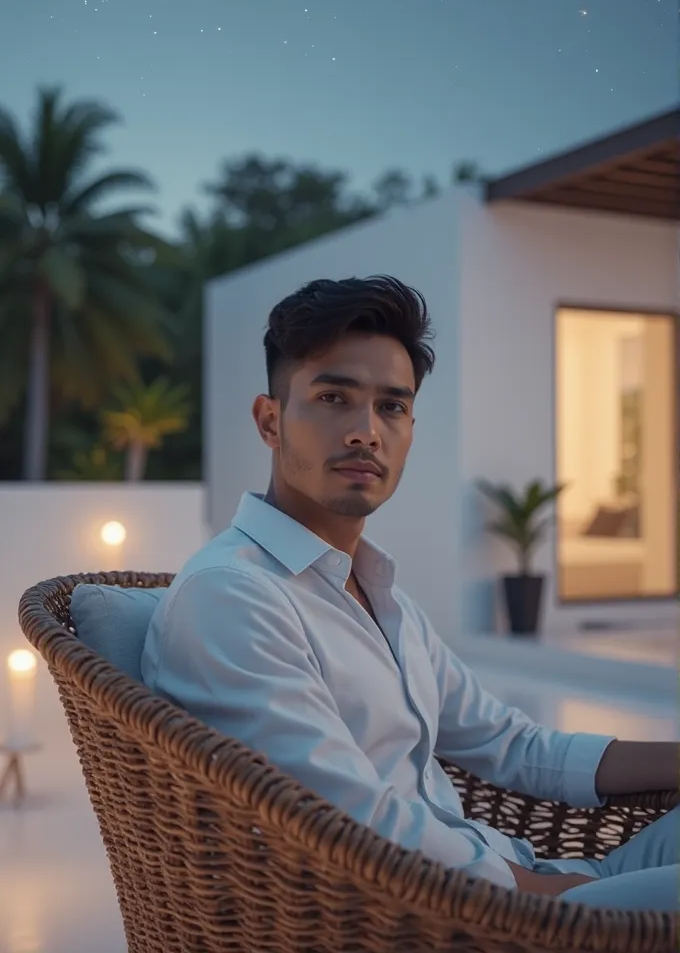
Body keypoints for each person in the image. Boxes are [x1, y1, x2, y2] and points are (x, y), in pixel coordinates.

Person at [141, 275, 679, 911]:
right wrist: (561, 895)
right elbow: (354, 826)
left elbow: (513, 745)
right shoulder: (234, 597)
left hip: (523, 875)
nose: (365, 431)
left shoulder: (378, 593)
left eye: (391, 406)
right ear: (270, 421)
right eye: (333, 397)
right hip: (442, 917)